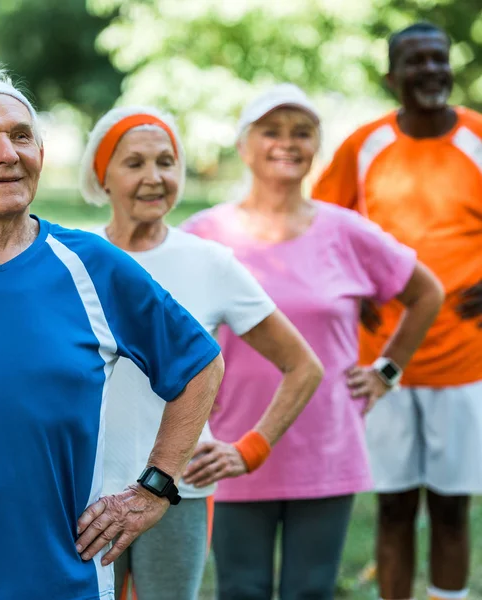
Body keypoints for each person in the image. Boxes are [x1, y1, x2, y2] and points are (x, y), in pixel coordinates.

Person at [0, 66, 226, 600]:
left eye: (22, 136)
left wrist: (155, 488)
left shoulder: (93, 266)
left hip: (65, 579)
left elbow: (201, 365)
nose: (8, 153)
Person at [181, 83, 444, 600]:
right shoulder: (203, 234)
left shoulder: (347, 231)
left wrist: (388, 370)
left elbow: (427, 292)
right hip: (231, 442)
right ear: (244, 144)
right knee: (241, 589)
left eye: (302, 133)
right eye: (271, 131)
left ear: (316, 146)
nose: (287, 143)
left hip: (324, 443)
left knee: (310, 591)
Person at [79, 105, 324, 600]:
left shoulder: (210, 263)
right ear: (102, 176)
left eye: (166, 162)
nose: (154, 178)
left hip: (176, 490)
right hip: (82, 488)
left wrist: (249, 448)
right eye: (134, 163)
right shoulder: (72, 258)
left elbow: (303, 367)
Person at [312, 22, 482, 600]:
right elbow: (319, 230)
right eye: (415, 62)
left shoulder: (478, 137)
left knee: (454, 509)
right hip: (380, 362)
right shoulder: (365, 146)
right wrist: (349, 290)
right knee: (393, 507)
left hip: (465, 361)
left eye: (439, 59)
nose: (430, 70)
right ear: (392, 77)